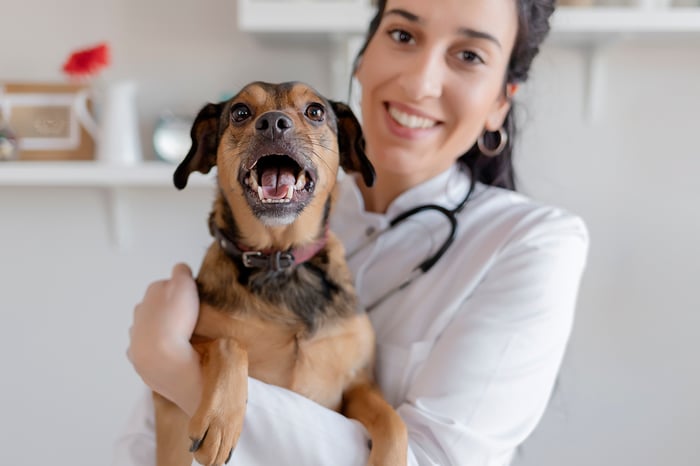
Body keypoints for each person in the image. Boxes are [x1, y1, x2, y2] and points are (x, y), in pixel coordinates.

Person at [113, 0, 589, 464]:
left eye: (469, 55)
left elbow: (427, 461)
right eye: (403, 35)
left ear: (501, 102)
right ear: (362, 59)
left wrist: (177, 370)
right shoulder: (264, 221)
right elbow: (148, 441)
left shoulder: (536, 241)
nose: (420, 82)